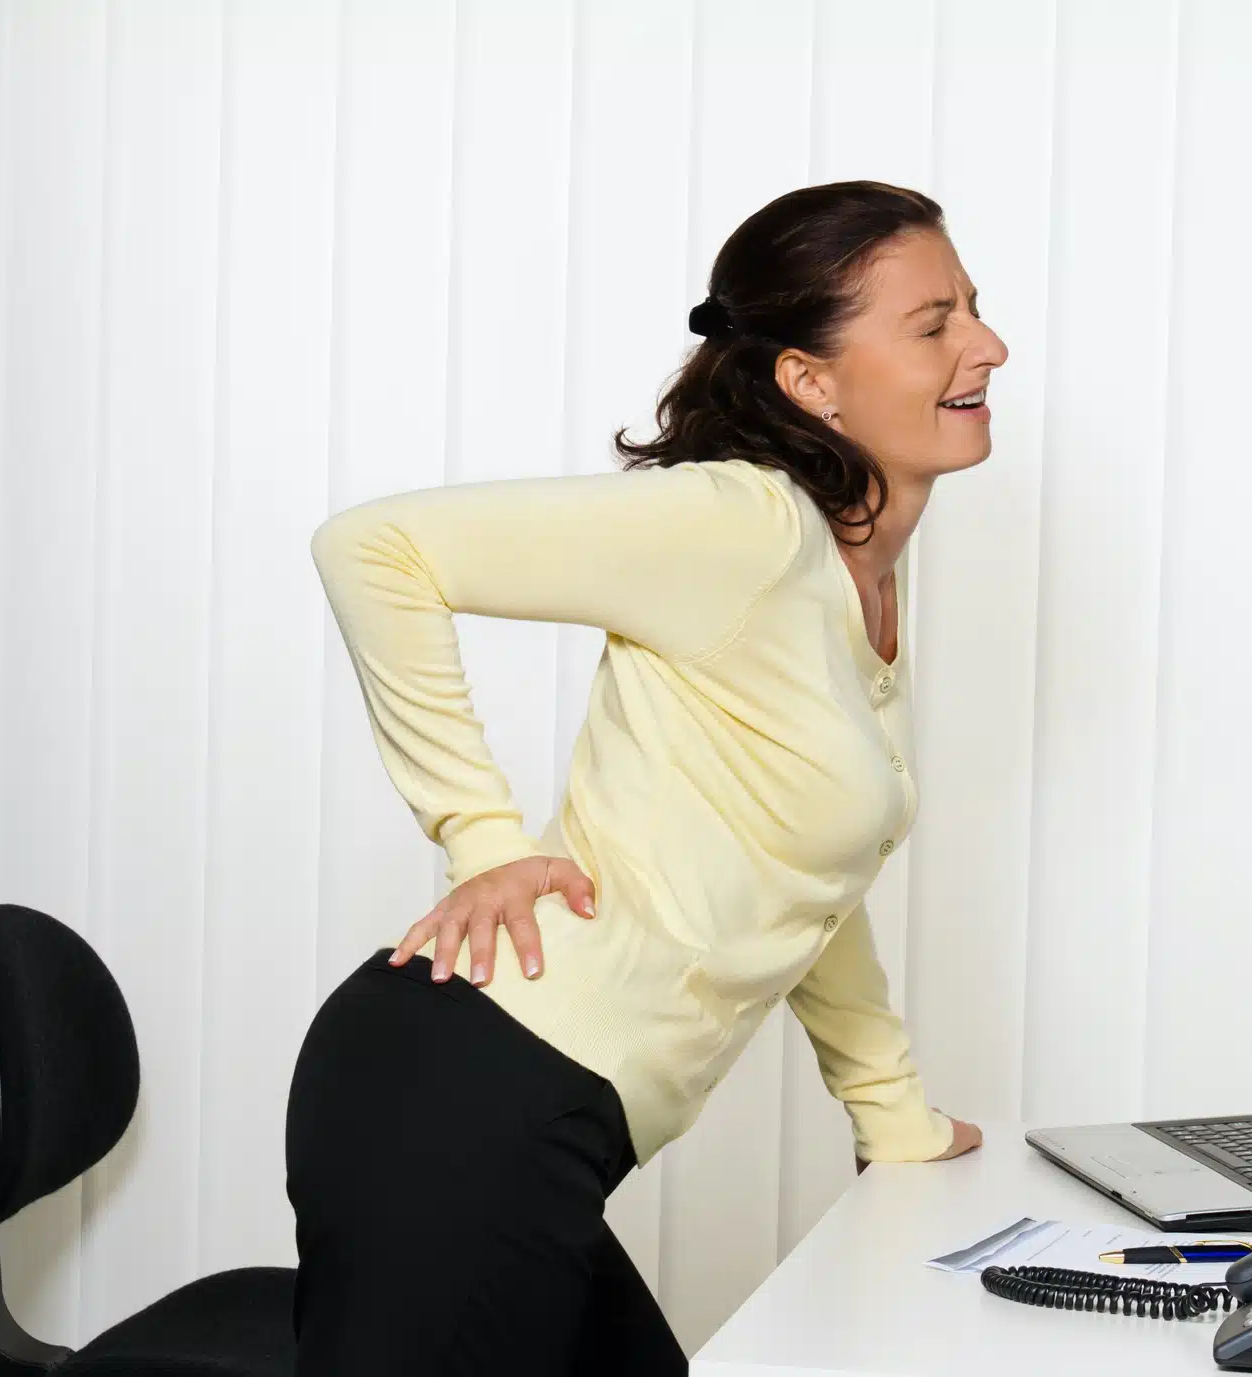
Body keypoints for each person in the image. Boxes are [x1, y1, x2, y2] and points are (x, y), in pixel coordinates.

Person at [285, 179, 1006, 1376]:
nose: (985, 344)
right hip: (465, 1092)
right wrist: (484, 839)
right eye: (932, 324)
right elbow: (373, 547)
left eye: (972, 309)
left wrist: (892, 1117)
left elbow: (805, 873)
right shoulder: (741, 525)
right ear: (809, 382)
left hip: (531, 1114)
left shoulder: (852, 576)